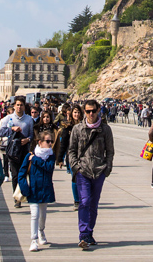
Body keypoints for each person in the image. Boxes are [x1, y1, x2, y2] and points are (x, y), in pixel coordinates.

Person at [68, 99, 114, 251]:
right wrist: (76, 167)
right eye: (88, 111)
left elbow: (110, 151)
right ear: (84, 112)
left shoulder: (105, 129)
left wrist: (107, 168)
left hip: (99, 170)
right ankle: (83, 233)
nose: (91, 114)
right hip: (83, 171)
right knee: (85, 201)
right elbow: (72, 150)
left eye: (93, 111)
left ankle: (89, 232)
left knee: (93, 204)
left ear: (99, 110)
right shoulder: (77, 129)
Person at [18, 131, 56, 252]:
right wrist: (25, 189)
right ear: (40, 142)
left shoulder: (51, 155)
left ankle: (41, 230)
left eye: (51, 141)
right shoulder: (29, 155)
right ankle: (33, 240)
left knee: (43, 214)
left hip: (45, 189)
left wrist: (35, 160)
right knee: (34, 214)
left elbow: (49, 168)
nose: (50, 144)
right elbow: (21, 173)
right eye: (48, 141)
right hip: (33, 190)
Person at [0, 96, 34, 208]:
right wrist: (12, 129)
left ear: (25, 106)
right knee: (15, 175)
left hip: (24, 149)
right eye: (17, 105)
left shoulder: (29, 119)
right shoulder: (8, 118)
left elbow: (32, 135)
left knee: (23, 174)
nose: (19, 107)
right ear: (14, 106)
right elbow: (1, 132)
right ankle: (16, 198)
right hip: (13, 150)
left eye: (21, 105)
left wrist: (27, 140)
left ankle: (24, 194)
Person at [56, 105, 83, 210]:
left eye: (78, 112)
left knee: (84, 179)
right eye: (75, 112)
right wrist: (60, 159)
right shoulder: (67, 127)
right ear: (71, 114)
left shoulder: (84, 126)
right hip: (71, 157)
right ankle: (77, 200)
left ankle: (83, 199)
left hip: (84, 157)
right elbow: (63, 144)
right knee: (75, 178)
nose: (76, 114)